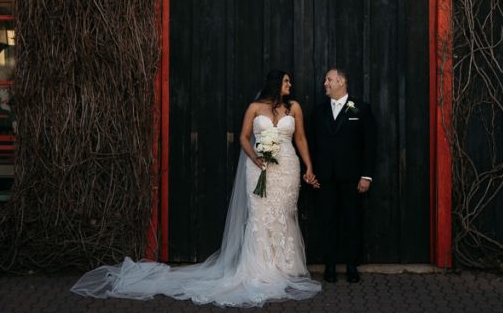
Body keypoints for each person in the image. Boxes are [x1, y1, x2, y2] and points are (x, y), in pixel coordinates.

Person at [71, 69, 321, 306]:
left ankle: (284, 266)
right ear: (276, 84)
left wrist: (308, 167)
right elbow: (245, 137)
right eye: (287, 82)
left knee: (284, 215)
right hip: (260, 168)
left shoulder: (294, 107)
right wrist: (254, 157)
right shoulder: (255, 108)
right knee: (260, 216)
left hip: (286, 167)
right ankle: (261, 267)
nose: (290, 85)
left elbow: (300, 138)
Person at [309, 67, 377, 283]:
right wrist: (310, 170)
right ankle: (329, 266)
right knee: (327, 221)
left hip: (352, 177)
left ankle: (351, 266)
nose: (325, 84)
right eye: (325, 80)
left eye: (329, 80)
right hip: (325, 177)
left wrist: (366, 176)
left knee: (352, 221)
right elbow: (311, 143)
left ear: (341, 81)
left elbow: (370, 144)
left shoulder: (360, 108)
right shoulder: (318, 111)